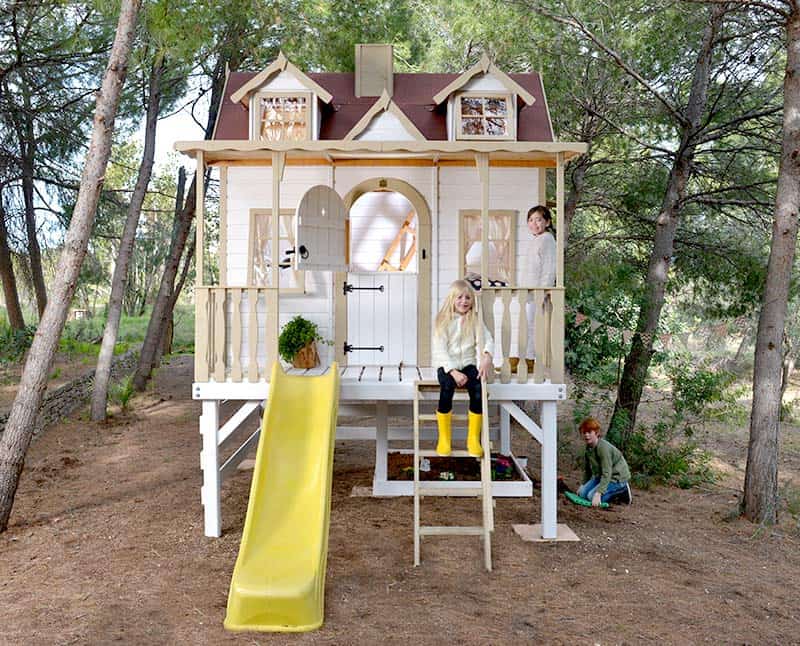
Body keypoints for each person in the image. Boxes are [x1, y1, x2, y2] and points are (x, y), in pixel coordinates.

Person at [432, 279, 494, 458]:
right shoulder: (442, 321)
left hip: (467, 364)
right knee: (447, 387)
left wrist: (486, 357)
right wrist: (452, 371)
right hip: (446, 366)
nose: (464, 301)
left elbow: (488, 339)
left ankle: (473, 438)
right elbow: (440, 350)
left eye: (468, 298)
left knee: (477, 387)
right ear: (452, 299)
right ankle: (444, 438)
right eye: (459, 297)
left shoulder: (474, 320)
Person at [523, 205, 556, 370]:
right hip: (529, 292)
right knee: (527, 326)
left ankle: (531, 361)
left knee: (532, 327)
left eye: (538, 219)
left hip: (537, 293)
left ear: (547, 222)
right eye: (530, 220)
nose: (534, 223)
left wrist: (542, 291)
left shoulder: (547, 239)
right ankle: (527, 359)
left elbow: (549, 269)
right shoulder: (536, 240)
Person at [577, 417, 632, 506]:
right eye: (584, 432)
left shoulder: (603, 448)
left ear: (596, 433)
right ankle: (602, 491)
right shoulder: (588, 448)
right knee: (583, 494)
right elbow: (587, 470)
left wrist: (599, 493)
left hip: (616, 478)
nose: (586, 435)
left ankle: (622, 490)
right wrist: (583, 485)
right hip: (602, 476)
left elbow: (607, 472)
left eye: (589, 432)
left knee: (592, 497)